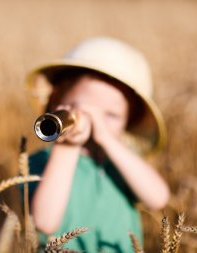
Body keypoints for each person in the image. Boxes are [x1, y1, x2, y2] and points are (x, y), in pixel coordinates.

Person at [25, 37, 170, 253]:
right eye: (80, 108)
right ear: (57, 104)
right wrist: (66, 148)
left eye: (110, 115)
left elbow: (158, 198)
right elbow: (44, 223)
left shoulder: (123, 161)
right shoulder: (42, 161)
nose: (95, 121)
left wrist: (108, 140)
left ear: (128, 121)